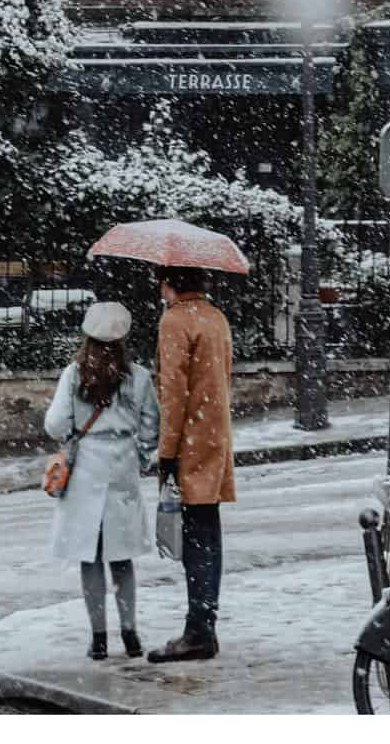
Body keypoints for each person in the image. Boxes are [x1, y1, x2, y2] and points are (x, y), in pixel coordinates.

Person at [44, 301, 160, 661]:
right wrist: (137, 457)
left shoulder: (74, 374)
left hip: (86, 471)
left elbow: (56, 425)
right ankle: (130, 632)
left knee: (90, 558)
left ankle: (98, 638)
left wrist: (76, 436)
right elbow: (152, 428)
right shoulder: (138, 377)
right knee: (121, 557)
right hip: (121, 466)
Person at [148, 266, 236, 663]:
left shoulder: (174, 321)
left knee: (196, 540)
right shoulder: (215, 318)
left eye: (162, 283)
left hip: (189, 440)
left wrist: (166, 453)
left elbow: (174, 394)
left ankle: (197, 631)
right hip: (215, 434)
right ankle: (205, 623)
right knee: (209, 536)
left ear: (169, 283)